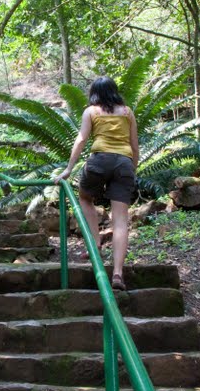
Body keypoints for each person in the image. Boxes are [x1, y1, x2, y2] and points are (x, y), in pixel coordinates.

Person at [57, 76, 139, 290]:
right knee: (120, 220)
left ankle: (95, 244)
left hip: (99, 161)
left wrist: (68, 169)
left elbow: (82, 139)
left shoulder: (91, 111)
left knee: (84, 197)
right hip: (124, 163)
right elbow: (134, 144)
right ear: (114, 91)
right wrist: (133, 167)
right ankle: (118, 274)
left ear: (94, 93)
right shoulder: (127, 112)